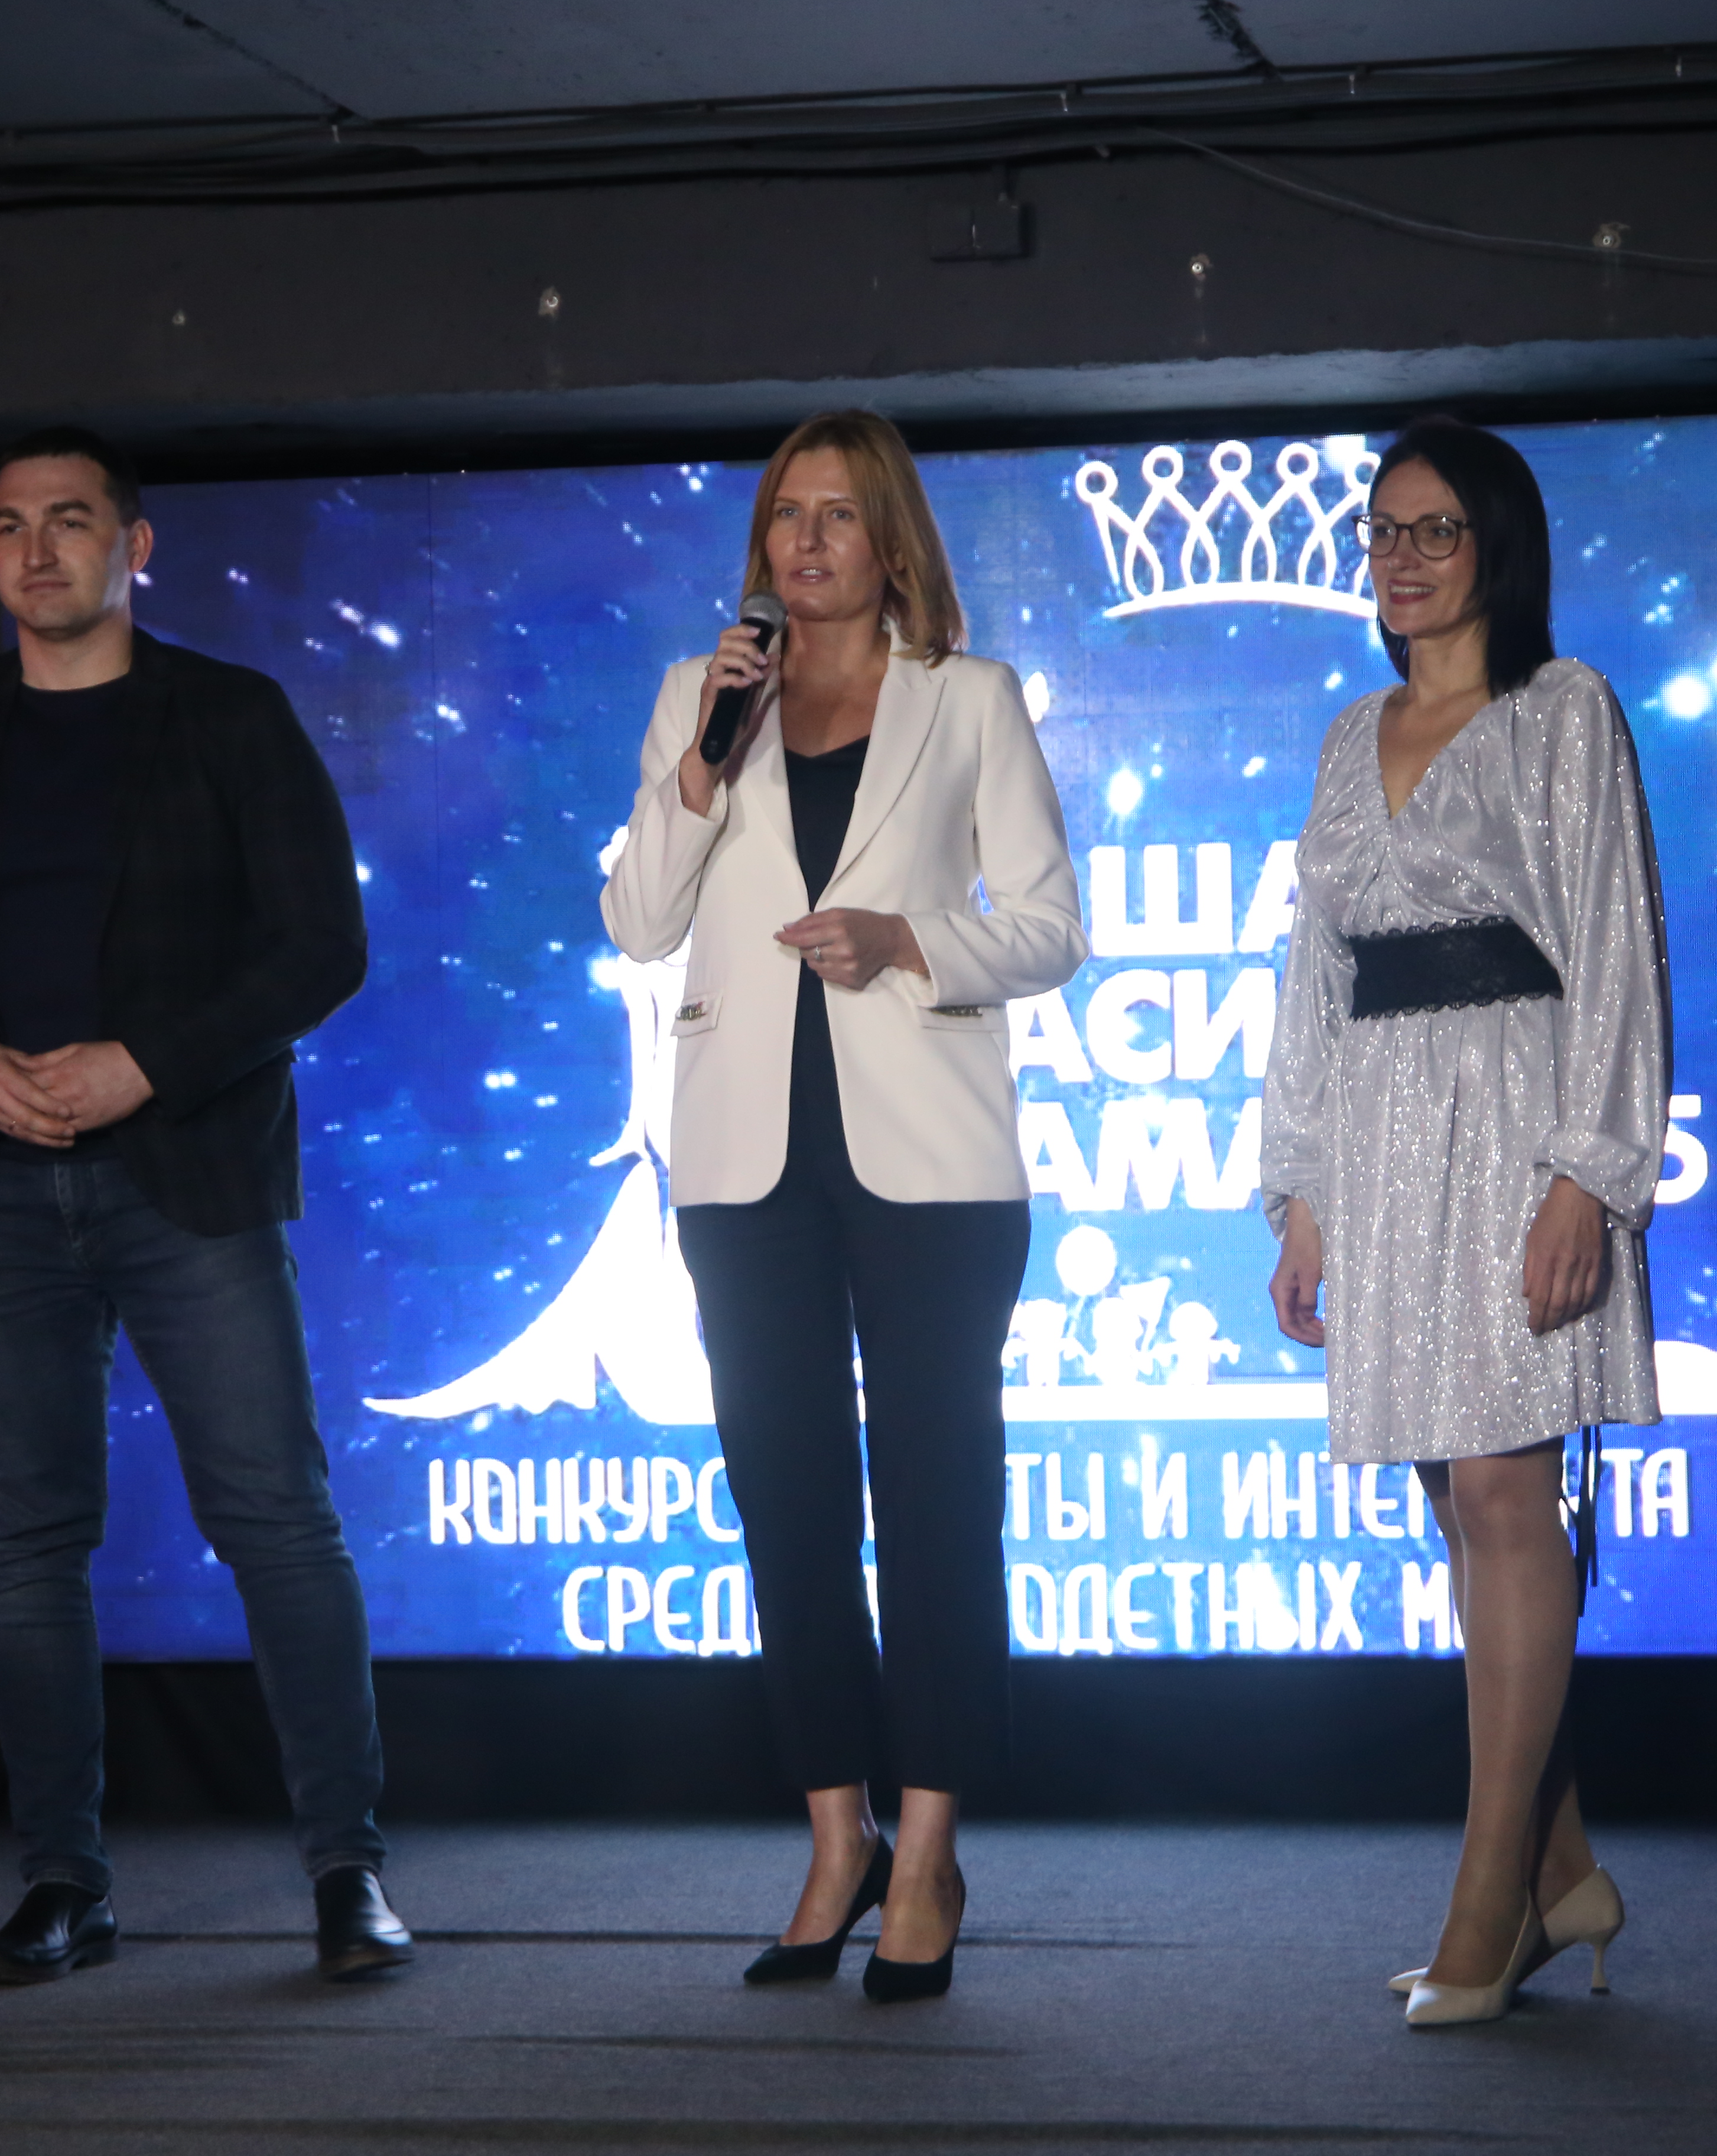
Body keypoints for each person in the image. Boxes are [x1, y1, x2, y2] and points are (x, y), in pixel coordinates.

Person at [0, 427, 412, 1985]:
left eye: (69, 520)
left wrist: (145, 1063)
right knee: (29, 1543)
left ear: (133, 548)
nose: (37, 550)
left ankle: (348, 1872)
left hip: (186, 1177)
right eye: (8, 525)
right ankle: (62, 1884)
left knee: (275, 1521)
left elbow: (319, 947)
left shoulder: (228, 715)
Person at [601, 411, 1087, 2002]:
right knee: (787, 1501)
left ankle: (929, 1854)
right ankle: (836, 1840)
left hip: (932, 1163)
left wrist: (910, 939)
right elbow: (638, 919)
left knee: (939, 1498)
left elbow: (1052, 926)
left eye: (837, 515)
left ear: (891, 541)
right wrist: (703, 758)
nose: (805, 542)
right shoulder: (702, 694)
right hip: (744, 1166)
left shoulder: (969, 698)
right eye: (784, 516)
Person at [1259, 418, 1670, 2028]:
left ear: (1497, 543)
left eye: (1436, 529)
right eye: (1384, 531)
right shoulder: (1344, 736)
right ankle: (1565, 1878)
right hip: (1381, 1140)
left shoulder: (1564, 712)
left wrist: (1590, 1173)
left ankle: (1488, 1901)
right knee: (1461, 1501)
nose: (1404, 558)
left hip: (1516, 1129)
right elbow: (1314, 976)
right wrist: (1300, 1186)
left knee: (1505, 1492)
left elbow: (1619, 946)